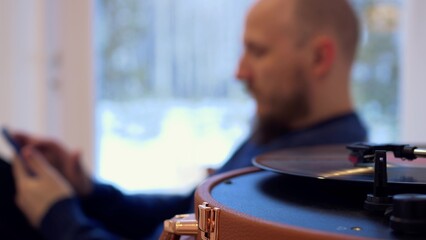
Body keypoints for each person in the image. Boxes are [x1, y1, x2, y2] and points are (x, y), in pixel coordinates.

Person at [4, 0, 367, 239]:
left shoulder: (310, 185)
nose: (239, 72)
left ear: (320, 58)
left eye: (257, 52)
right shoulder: (280, 135)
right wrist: (88, 191)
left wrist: (57, 213)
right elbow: (182, 210)